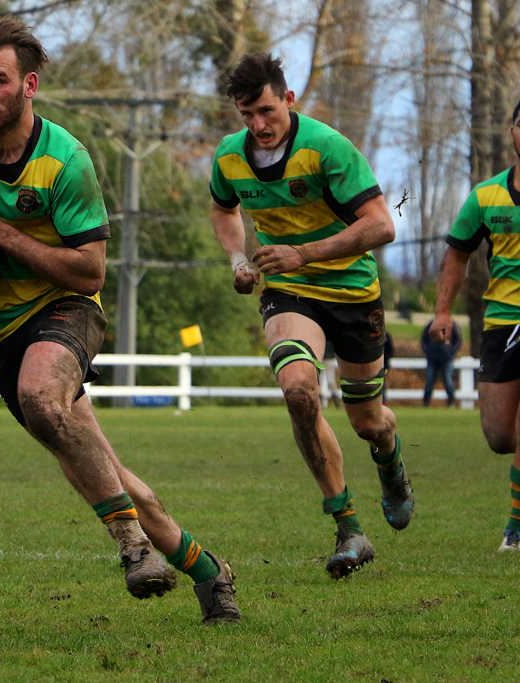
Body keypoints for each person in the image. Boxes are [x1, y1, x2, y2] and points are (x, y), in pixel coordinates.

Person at [0, 16, 240, 624]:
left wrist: (0, 232)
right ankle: (210, 572)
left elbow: (89, 273)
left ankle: (133, 548)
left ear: (29, 84)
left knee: (41, 398)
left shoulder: (65, 160)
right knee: (104, 466)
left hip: (66, 307)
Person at [209, 53, 412, 579]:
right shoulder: (229, 156)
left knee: (368, 422)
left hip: (353, 292)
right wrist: (237, 259)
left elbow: (382, 225)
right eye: (247, 115)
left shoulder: (327, 148)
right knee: (299, 392)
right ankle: (348, 528)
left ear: (289, 99)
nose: (258, 125)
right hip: (289, 291)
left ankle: (390, 459)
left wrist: (304, 252)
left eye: (266, 111)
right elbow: (224, 208)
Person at [430, 98, 520, 551]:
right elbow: (457, 255)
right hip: (502, 322)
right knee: (500, 436)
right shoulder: (487, 196)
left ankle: (516, 527)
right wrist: (443, 310)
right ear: (512, 131)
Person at [421, 319, 461, 407]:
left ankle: (451, 402)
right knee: (429, 380)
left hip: (447, 358)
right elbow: (424, 339)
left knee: (448, 381)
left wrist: (451, 352)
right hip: (432, 358)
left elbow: (458, 340)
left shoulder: (452, 325)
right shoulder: (431, 325)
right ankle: (426, 402)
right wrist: (428, 351)